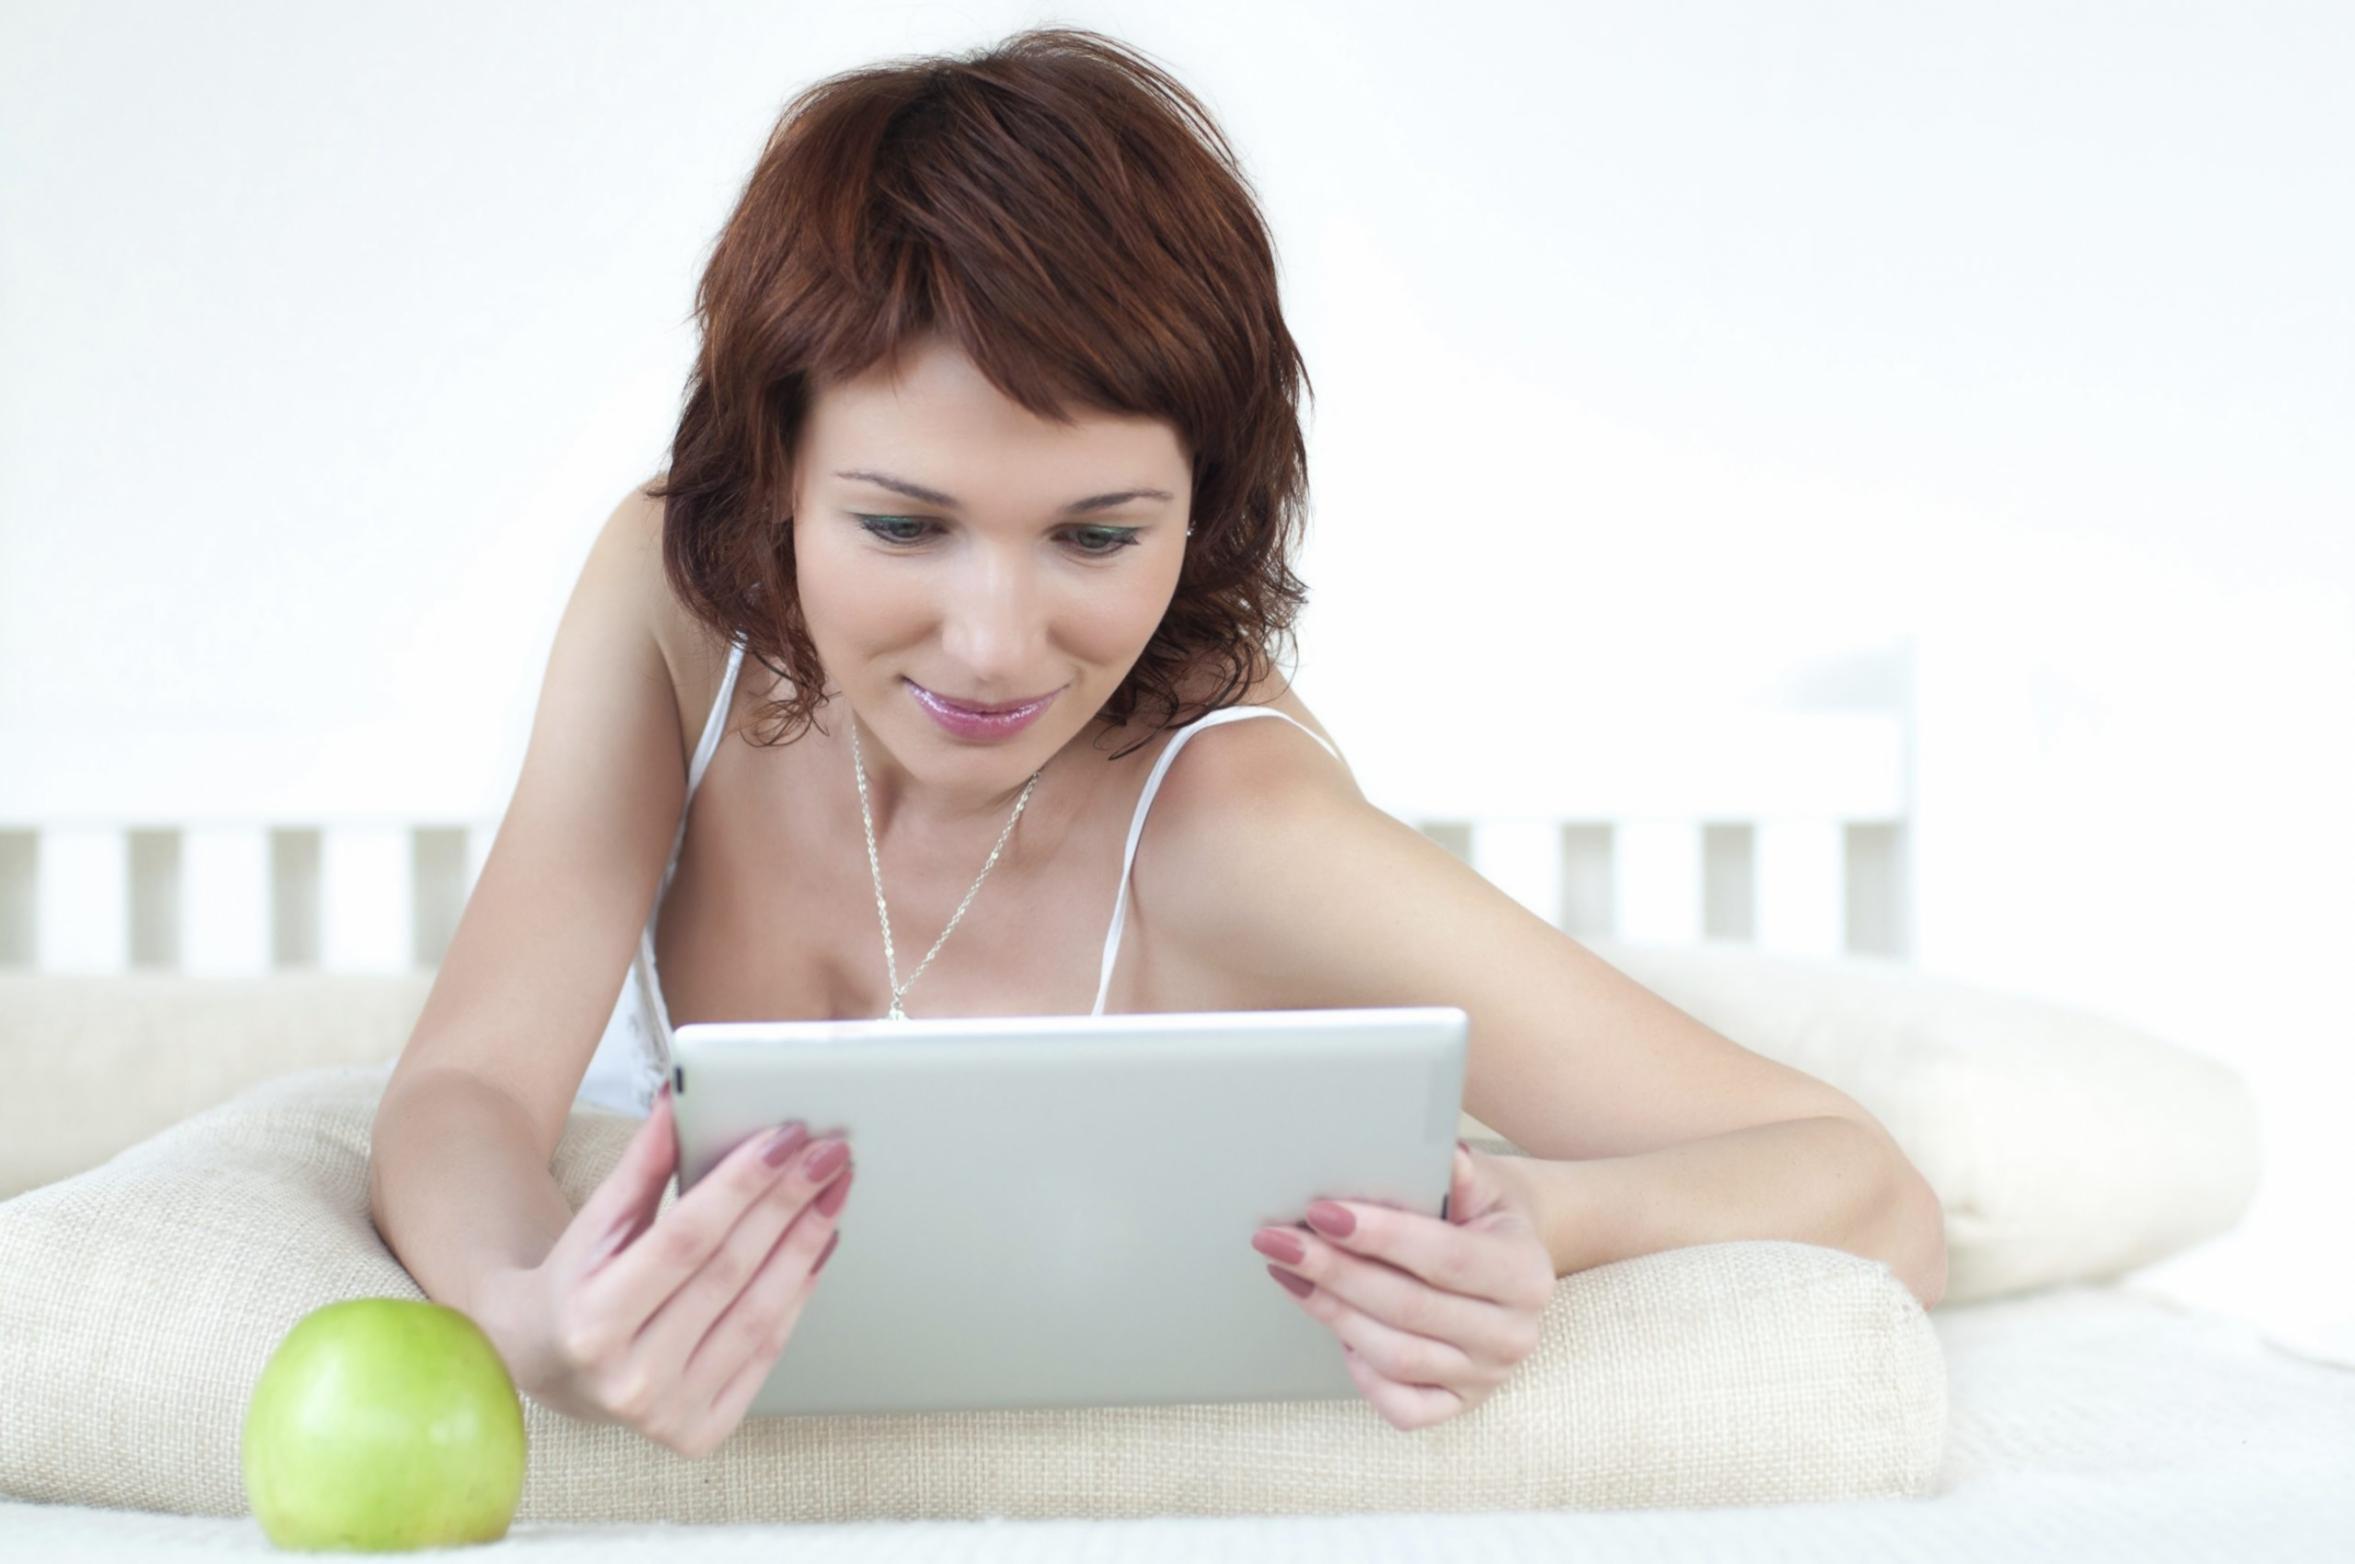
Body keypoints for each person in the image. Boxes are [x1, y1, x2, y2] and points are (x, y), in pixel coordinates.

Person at [370, 26, 1941, 1462]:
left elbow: (1869, 1191)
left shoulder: (1235, 828)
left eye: (1095, 535)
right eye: (904, 525)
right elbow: (465, 1092)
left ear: (1205, 511)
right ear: (772, 472)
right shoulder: (670, 605)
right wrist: (525, 1321)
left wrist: (1543, 1211)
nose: (993, 643)